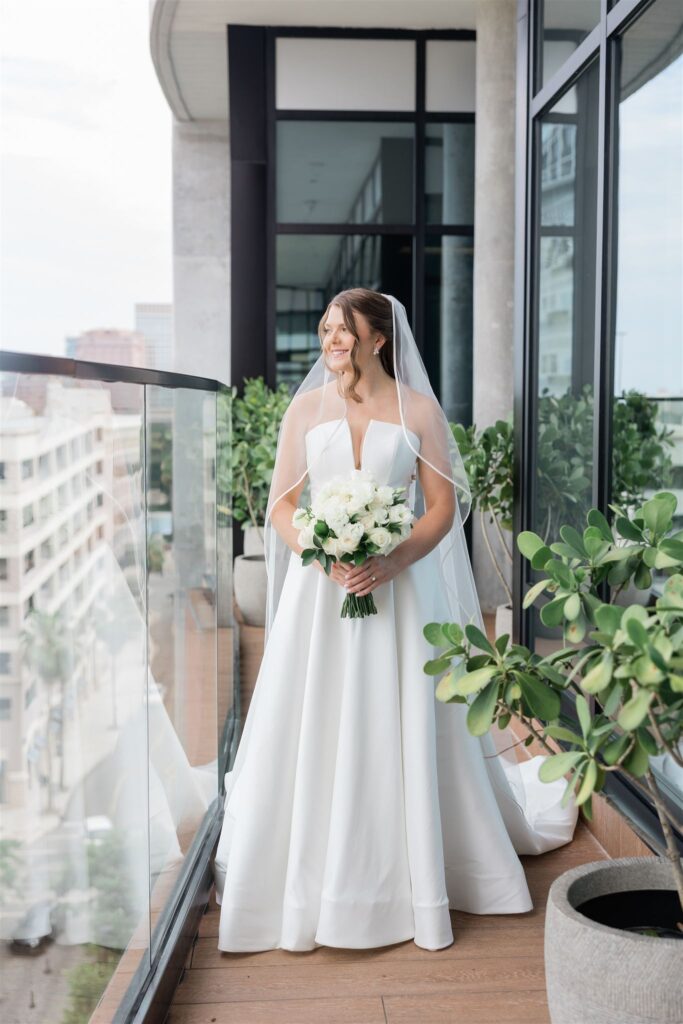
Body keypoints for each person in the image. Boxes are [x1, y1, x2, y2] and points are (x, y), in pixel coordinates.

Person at [212, 288, 578, 953]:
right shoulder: (305, 411)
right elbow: (282, 509)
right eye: (325, 330)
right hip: (321, 597)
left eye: (342, 333)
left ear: (378, 339)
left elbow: (440, 507)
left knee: (399, 713)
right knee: (316, 713)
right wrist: (327, 558)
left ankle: (418, 873)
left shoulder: (419, 410)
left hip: (400, 590)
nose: (330, 343)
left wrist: (392, 558)